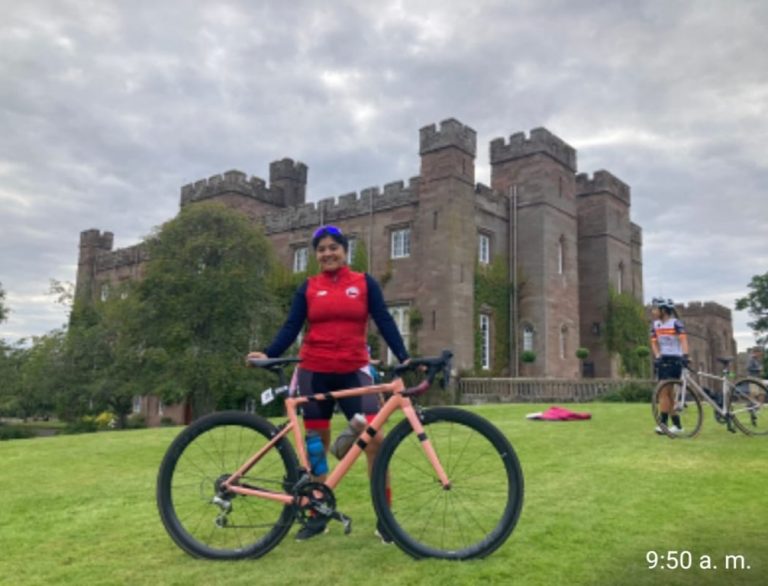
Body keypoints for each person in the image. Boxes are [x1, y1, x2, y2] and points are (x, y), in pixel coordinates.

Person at [247, 225, 409, 542]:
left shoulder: (364, 283)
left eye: (333, 247)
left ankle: (385, 518)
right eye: (321, 249)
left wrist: (403, 355)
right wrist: (269, 352)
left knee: (375, 440)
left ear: (345, 251)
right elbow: (292, 326)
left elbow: (384, 320)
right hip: (314, 372)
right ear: (316, 255)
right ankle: (317, 513)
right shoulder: (308, 288)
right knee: (316, 445)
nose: (327, 253)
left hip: (354, 371)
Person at [649, 297, 689, 434]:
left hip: (674, 359)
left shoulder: (676, 323)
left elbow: (683, 340)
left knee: (663, 392)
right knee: (669, 395)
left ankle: (663, 424)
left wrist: (685, 356)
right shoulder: (655, 325)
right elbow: (654, 342)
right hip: (663, 359)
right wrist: (657, 355)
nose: (653, 311)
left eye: (655, 309)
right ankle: (677, 426)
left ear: (664, 310)